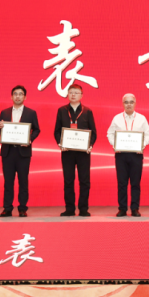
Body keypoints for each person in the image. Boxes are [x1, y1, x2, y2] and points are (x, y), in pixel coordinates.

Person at [0, 85, 41, 218]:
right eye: (15, 94)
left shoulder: (31, 113)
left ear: (25, 97)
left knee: (23, 181)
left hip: (23, 152)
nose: (18, 96)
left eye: (21, 94)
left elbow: (37, 129)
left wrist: (29, 139)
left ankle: (22, 208)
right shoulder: (4, 112)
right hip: (8, 152)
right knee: (8, 181)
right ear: (11, 97)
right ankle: (7, 208)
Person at [54, 84, 98, 217]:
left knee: (84, 181)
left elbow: (93, 132)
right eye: (71, 92)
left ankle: (83, 208)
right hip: (67, 151)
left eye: (76, 92)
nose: (73, 94)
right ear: (67, 94)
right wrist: (60, 143)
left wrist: (90, 145)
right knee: (68, 180)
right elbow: (57, 131)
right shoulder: (62, 111)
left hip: (83, 152)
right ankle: (70, 209)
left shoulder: (87, 111)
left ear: (81, 95)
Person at [107, 93, 149, 217]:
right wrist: (115, 145)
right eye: (126, 102)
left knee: (135, 183)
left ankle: (135, 208)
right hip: (121, 154)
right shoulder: (117, 118)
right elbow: (110, 133)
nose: (129, 104)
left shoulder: (142, 118)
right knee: (122, 183)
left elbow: (148, 134)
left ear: (135, 103)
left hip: (136, 154)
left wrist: (142, 146)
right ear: (123, 104)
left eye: (131, 102)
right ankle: (122, 208)